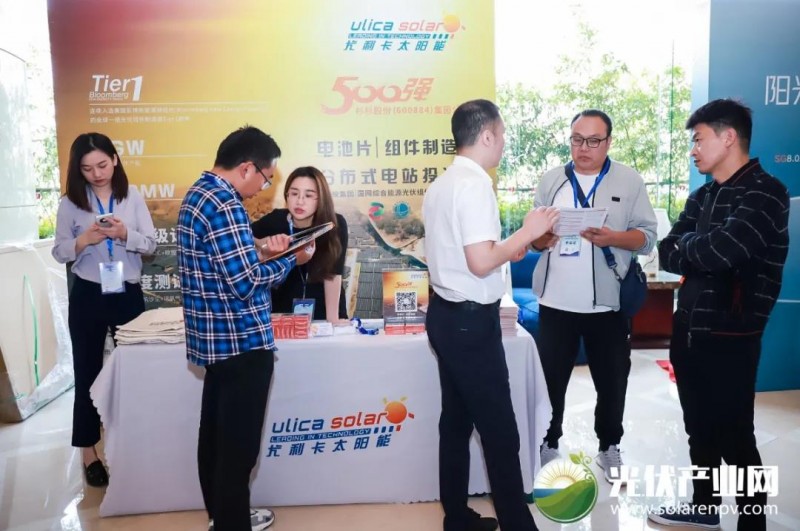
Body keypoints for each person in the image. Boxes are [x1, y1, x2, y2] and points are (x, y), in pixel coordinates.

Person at [648, 99, 789, 530]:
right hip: (688, 330)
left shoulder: (766, 192)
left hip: (733, 336)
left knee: (736, 436)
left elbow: (721, 251)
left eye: (699, 139)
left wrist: (695, 247)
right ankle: (705, 507)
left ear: (728, 137)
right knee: (699, 428)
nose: (693, 149)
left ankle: (752, 521)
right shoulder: (703, 195)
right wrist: (699, 248)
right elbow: (668, 251)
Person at [423, 98, 558, 531]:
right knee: (500, 432)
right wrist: (529, 231)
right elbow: (481, 262)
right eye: (501, 135)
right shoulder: (475, 184)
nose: (503, 143)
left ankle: (457, 517)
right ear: (486, 135)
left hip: (445, 316)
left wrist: (516, 244)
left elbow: (473, 255)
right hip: (469, 323)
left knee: (456, 421)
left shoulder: (442, 183)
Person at [177, 126, 311, 531]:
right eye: (266, 179)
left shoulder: (199, 193)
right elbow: (246, 283)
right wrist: (290, 259)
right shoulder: (225, 203)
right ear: (247, 168)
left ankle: (222, 517)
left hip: (216, 344)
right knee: (237, 453)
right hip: (241, 343)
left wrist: (262, 249)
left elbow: (226, 262)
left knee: (216, 442)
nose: (261, 189)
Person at [530, 109, 657, 482]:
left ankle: (609, 446)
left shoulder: (629, 181)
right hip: (555, 302)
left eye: (593, 140)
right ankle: (548, 441)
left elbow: (647, 237)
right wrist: (542, 238)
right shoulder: (552, 180)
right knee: (551, 379)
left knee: (612, 380)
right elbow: (534, 239)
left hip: (608, 303)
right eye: (576, 139)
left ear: (608, 142)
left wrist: (613, 238)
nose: (583, 148)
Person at [52, 132, 156, 487]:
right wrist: (84, 240)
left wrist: (125, 234)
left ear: (115, 159)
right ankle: (88, 452)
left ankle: (134, 445)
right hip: (88, 295)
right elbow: (59, 252)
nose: (97, 174)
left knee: (135, 372)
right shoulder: (70, 203)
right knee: (87, 373)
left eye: (102, 165)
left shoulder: (131, 196)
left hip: (127, 292)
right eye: (87, 168)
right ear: (77, 170)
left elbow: (150, 245)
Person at [252, 166, 349, 323]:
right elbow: (242, 236)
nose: (300, 201)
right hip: (282, 314)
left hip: (323, 314)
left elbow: (333, 275)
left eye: (308, 195)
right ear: (287, 195)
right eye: (294, 193)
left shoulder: (334, 224)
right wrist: (263, 246)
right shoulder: (275, 220)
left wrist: (332, 319)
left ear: (321, 198)